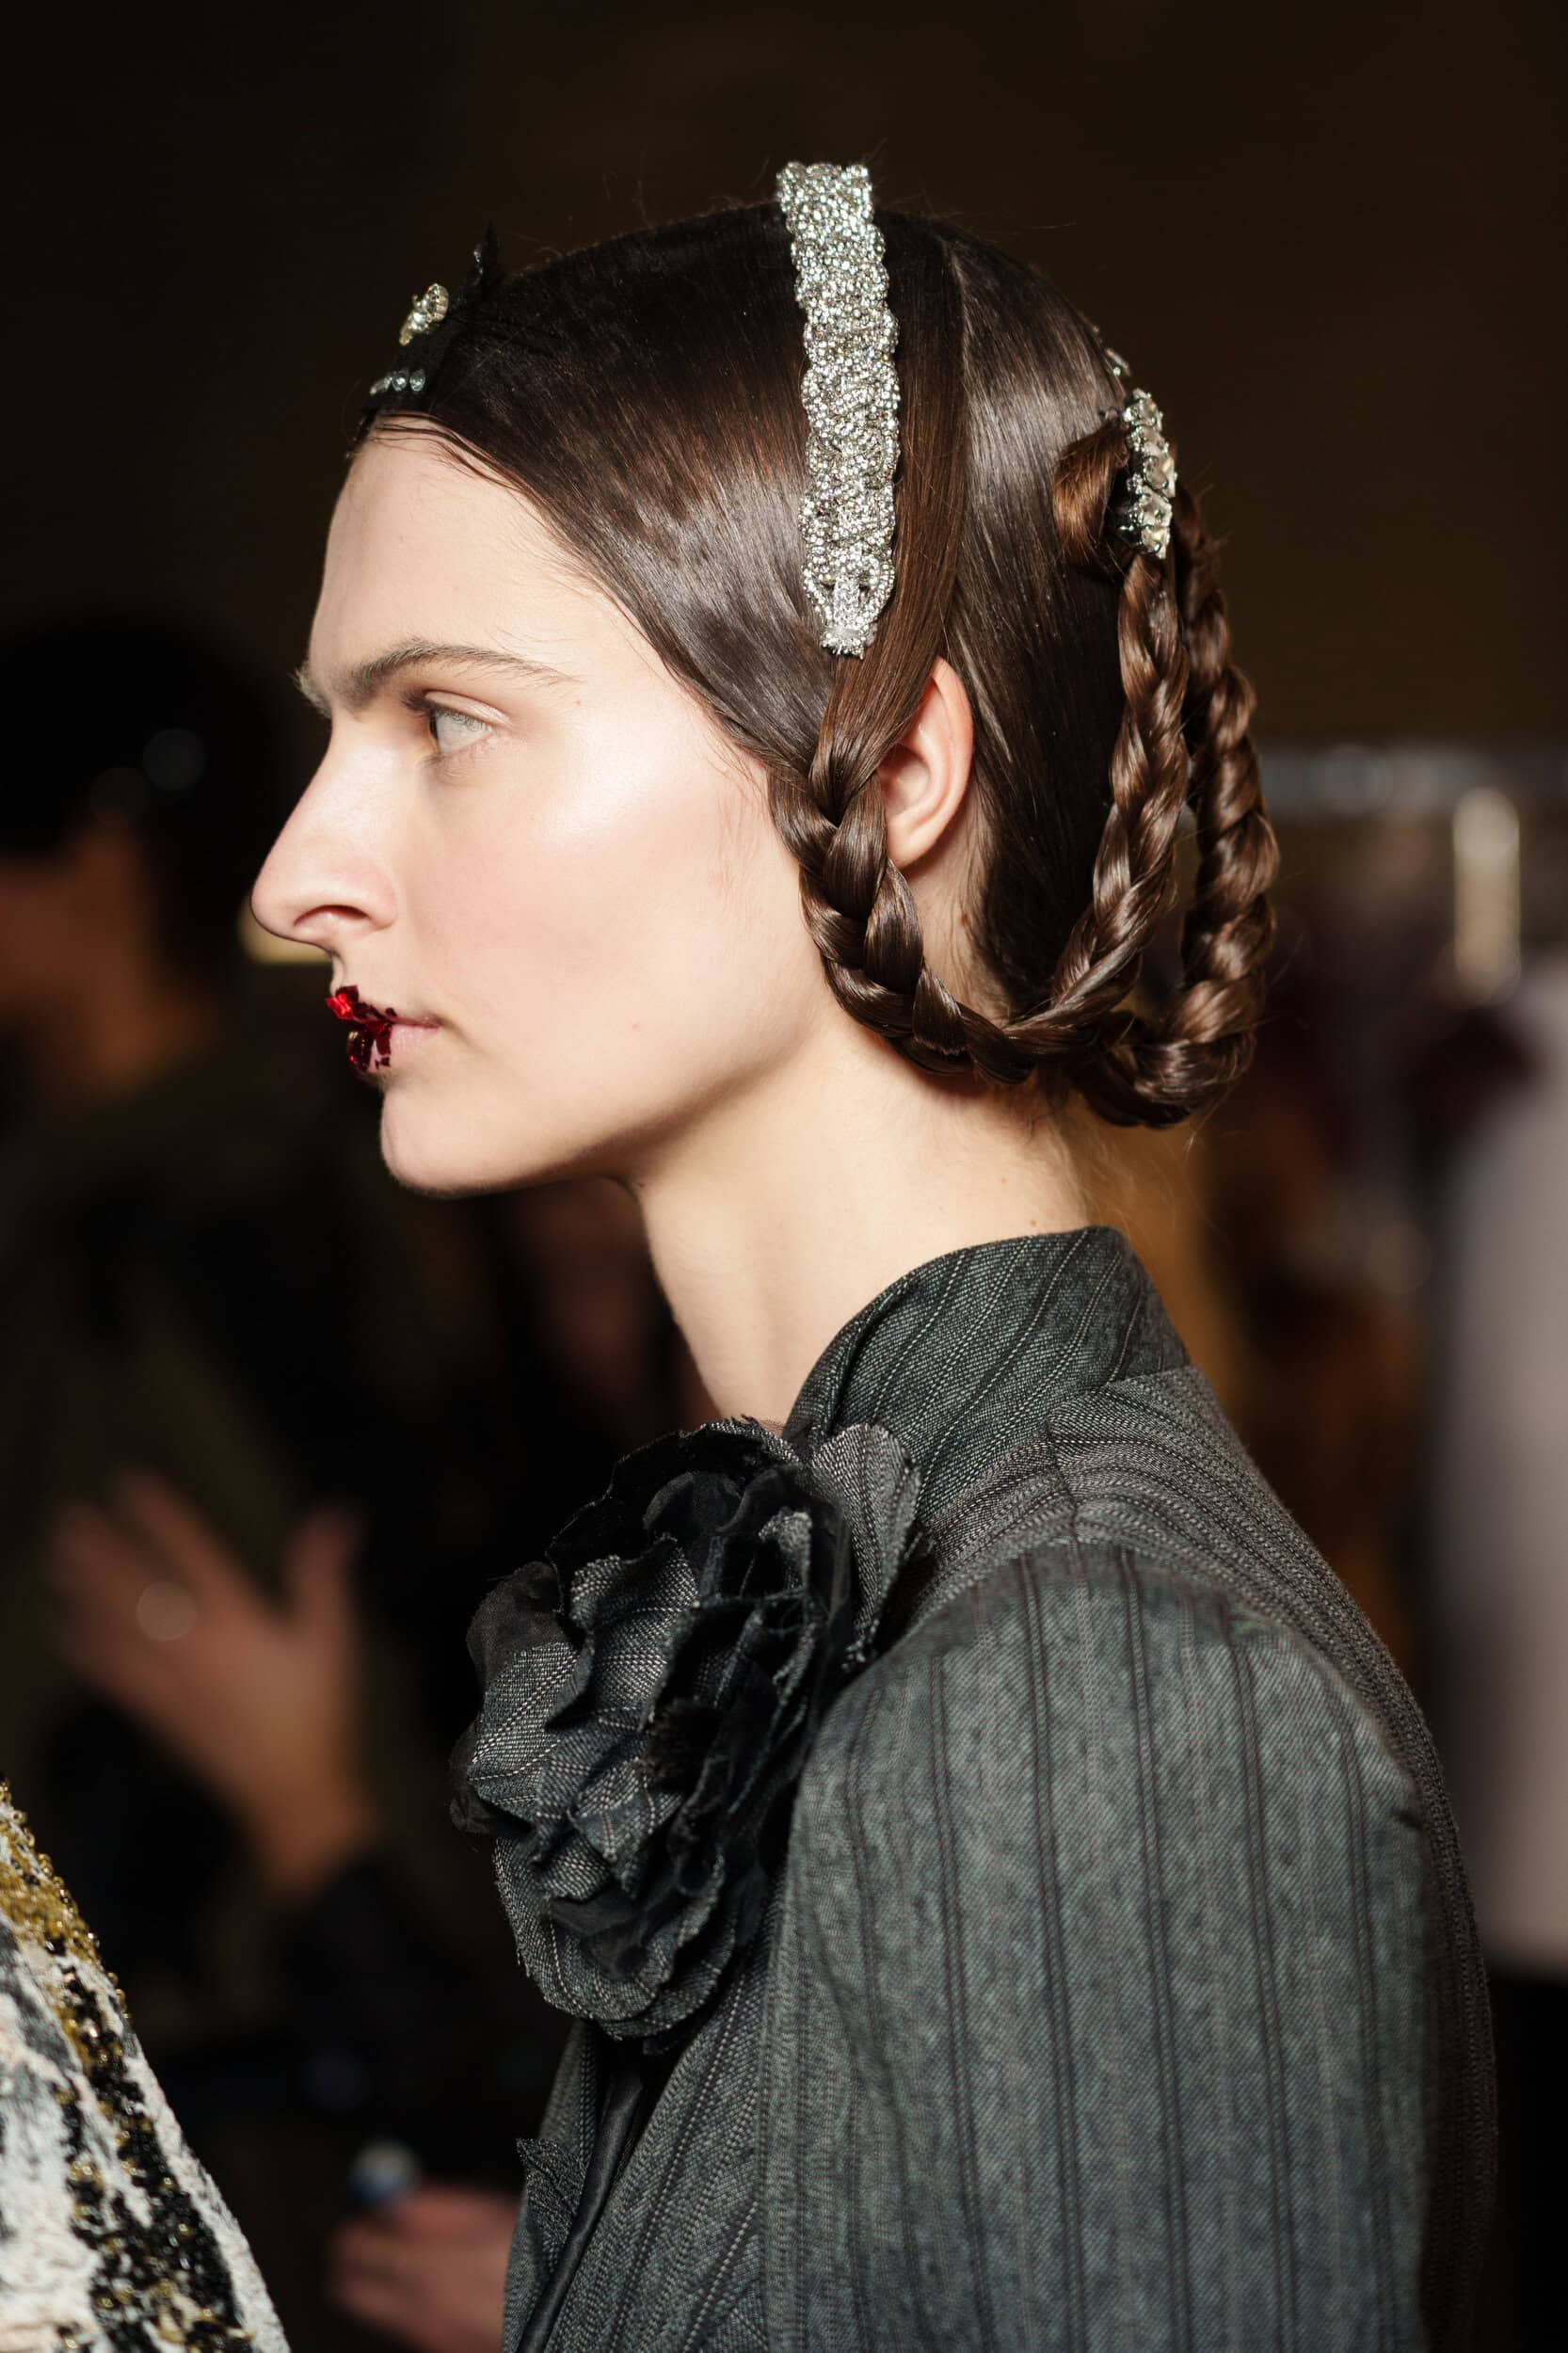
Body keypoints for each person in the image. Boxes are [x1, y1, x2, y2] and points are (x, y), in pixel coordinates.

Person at [248, 162, 1495, 2351]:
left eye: (442, 716)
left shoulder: (1101, 1685)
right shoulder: (920, 1589)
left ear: (890, 762)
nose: (293, 877)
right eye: (332, 730)